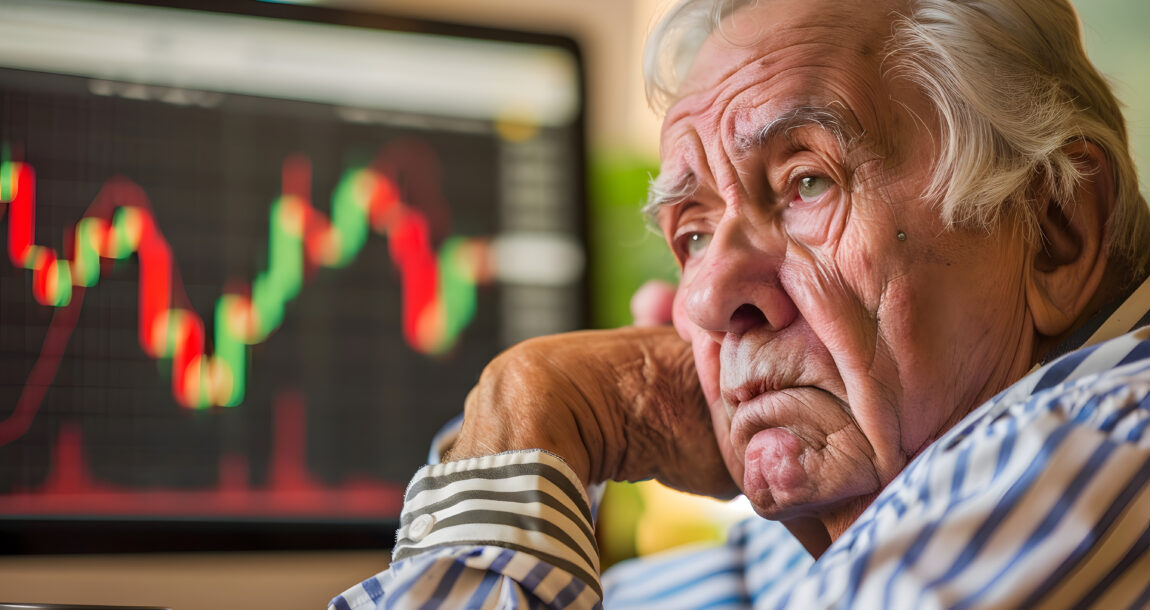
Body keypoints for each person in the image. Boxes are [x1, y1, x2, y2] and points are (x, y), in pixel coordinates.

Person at [330, 0, 1150, 607]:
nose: (712, 297)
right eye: (691, 233)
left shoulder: (1104, 437)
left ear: (1055, 229)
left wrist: (542, 404)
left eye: (806, 183)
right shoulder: (827, 540)